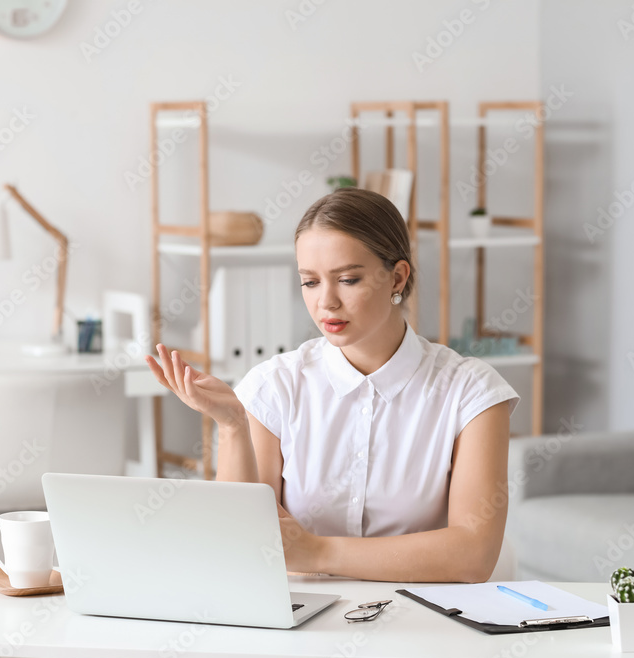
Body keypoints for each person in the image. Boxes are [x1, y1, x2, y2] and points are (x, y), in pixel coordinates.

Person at [145, 188, 519, 583]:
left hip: (426, 620)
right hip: (300, 619)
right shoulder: (275, 386)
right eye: (310, 282)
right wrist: (234, 426)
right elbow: (236, 547)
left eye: (348, 279)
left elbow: (473, 555)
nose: (326, 302)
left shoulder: (471, 392)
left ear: (397, 276)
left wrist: (317, 550)